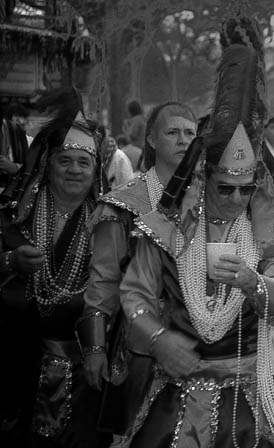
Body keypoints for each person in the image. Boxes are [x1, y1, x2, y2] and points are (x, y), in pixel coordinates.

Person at [119, 19, 274, 448]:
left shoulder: (264, 230)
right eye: (226, 188)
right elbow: (135, 295)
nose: (237, 198)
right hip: (177, 396)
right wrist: (159, 340)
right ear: (204, 175)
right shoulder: (165, 227)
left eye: (247, 188)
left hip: (248, 400)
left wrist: (254, 283)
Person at [77, 102, 197, 438]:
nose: (183, 140)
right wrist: (96, 348)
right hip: (139, 347)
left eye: (190, 133)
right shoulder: (124, 203)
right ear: (153, 140)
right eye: (172, 132)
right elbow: (103, 283)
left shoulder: (208, 199)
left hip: (198, 343)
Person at [0, 87, 110, 448]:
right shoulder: (14, 215)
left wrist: (96, 349)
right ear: (48, 164)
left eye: (84, 162)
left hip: (81, 368)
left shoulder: (108, 223)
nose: (75, 170)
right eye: (65, 160)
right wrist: (10, 261)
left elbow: (112, 289)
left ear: (96, 171)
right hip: (14, 360)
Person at [0, 103, 30, 190]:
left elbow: (35, 169)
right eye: (18, 122)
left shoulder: (29, 141)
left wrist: (15, 167)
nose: (21, 127)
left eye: (24, 124)